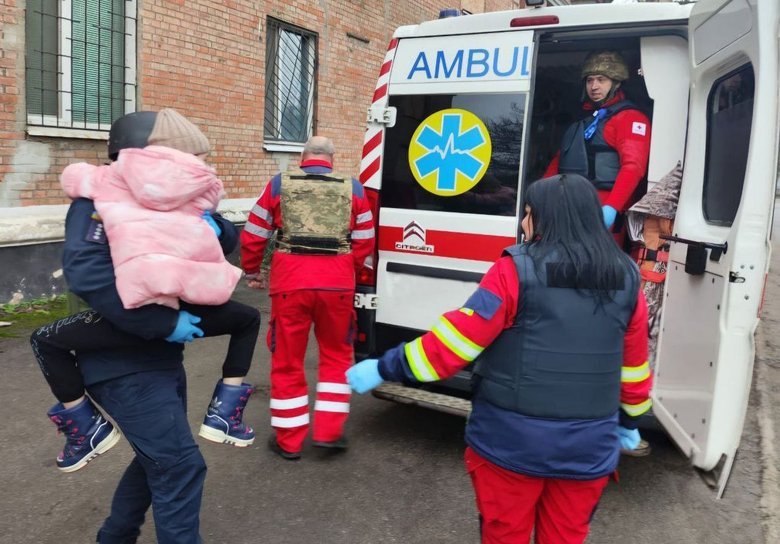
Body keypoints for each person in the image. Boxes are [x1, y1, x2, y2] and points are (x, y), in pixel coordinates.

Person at [347, 174, 653, 543]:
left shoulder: (515, 271)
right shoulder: (627, 278)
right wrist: (630, 419)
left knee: (505, 534)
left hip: (511, 443)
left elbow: (454, 345)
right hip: (589, 446)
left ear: (541, 218)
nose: (523, 224)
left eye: (527, 214)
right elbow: (634, 367)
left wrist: (385, 366)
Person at [32, 111, 244, 542]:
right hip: (120, 362)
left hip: (163, 361)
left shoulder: (170, 199)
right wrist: (161, 323)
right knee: (180, 466)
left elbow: (219, 246)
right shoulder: (96, 201)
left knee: (156, 460)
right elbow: (87, 273)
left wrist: (214, 222)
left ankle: (115, 536)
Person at [240, 136, 375, 460]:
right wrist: (348, 270)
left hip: (291, 284)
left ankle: (289, 441)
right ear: (332, 158)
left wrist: (253, 271)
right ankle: (328, 435)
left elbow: (254, 231)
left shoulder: (278, 184)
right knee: (337, 357)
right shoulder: (353, 189)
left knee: (287, 361)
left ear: (303, 157)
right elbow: (365, 239)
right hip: (337, 287)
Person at [543, 51, 652, 242]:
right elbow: (560, 161)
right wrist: (539, 196)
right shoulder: (587, 121)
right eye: (589, 80)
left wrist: (611, 207)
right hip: (570, 209)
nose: (594, 86)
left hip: (604, 214)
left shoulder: (630, 118)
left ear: (616, 82)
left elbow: (633, 167)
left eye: (601, 80)